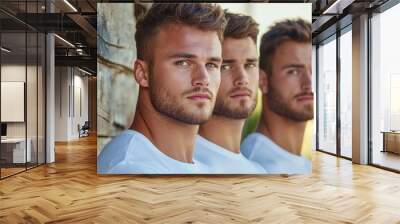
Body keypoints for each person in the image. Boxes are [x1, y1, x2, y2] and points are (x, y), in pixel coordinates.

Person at [98, 3, 227, 174]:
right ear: (143, 74)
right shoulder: (130, 169)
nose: (203, 79)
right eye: (183, 63)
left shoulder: (202, 166)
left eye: (211, 64)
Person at [194, 12, 265, 174]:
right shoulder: (181, 162)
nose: (242, 79)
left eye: (250, 65)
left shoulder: (258, 170)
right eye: (225, 66)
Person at [241, 19, 313, 174]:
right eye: (293, 71)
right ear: (263, 80)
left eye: (314, 71)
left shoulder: (303, 164)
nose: (309, 83)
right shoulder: (257, 166)